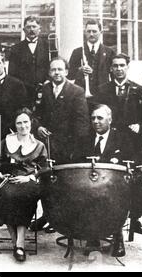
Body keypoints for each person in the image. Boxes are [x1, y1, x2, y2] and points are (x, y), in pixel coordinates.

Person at [92, 53, 142, 235]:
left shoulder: (138, 90)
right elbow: (98, 117)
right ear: (110, 69)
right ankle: (108, 220)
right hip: (110, 142)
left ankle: (134, 218)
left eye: (122, 65)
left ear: (127, 67)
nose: (118, 69)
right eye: (115, 66)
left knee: (136, 181)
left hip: (132, 142)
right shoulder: (102, 90)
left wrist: (140, 126)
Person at [33, 57, 90, 232]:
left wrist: (75, 150)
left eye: (60, 69)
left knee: (63, 184)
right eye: (53, 70)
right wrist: (39, 127)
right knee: (46, 181)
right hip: (47, 145)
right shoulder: (43, 90)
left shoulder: (77, 91)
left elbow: (82, 123)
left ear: (66, 72)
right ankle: (47, 216)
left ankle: (60, 219)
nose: (56, 73)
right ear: (49, 73)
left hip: (67, 148)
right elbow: (35, 114)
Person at [0, 108, 48, 262]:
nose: (23, 126)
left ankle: (19, 243)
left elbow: (44, 169)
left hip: (27, 181)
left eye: (26, 122)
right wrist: (0, 175)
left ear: (31, 123)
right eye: (19, 123)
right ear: (15, 125)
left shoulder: (39, 145)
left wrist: (29, 178)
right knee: (7, 195)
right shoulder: (6, 141)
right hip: (7, 180)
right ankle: (17, 243)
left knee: (25, 196)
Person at [76, 105, 131, 257]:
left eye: (100, 118)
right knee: (85, 195)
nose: (96, 121)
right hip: (89, 184)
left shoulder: (122, 138)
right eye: (93, 118)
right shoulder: (85, 139)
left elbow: (130, 161)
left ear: (110, 119)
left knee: (118, 198)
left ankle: (118, 237)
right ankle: (92, 238)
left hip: (114, 186)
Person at [9, 16, 51, 109]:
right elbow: (12, 73)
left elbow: (52, 66)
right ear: (24, 30)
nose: (31, 30)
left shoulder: (48, 47)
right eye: (28, 27)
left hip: (45, 90)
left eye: (34, 26)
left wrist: (47, 81)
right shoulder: (15, 49)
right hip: (23, 92)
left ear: (39, 29)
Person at [69, 19, 116, 97]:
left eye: (94, 31)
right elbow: (69, 75)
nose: (91, 34)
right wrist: (79, 71)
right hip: (81, 95)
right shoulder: (77, 52)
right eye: (88, 31)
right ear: (85, 32)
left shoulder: (109, 52)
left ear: (101, 32)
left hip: (102, 95)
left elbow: (114, 76)